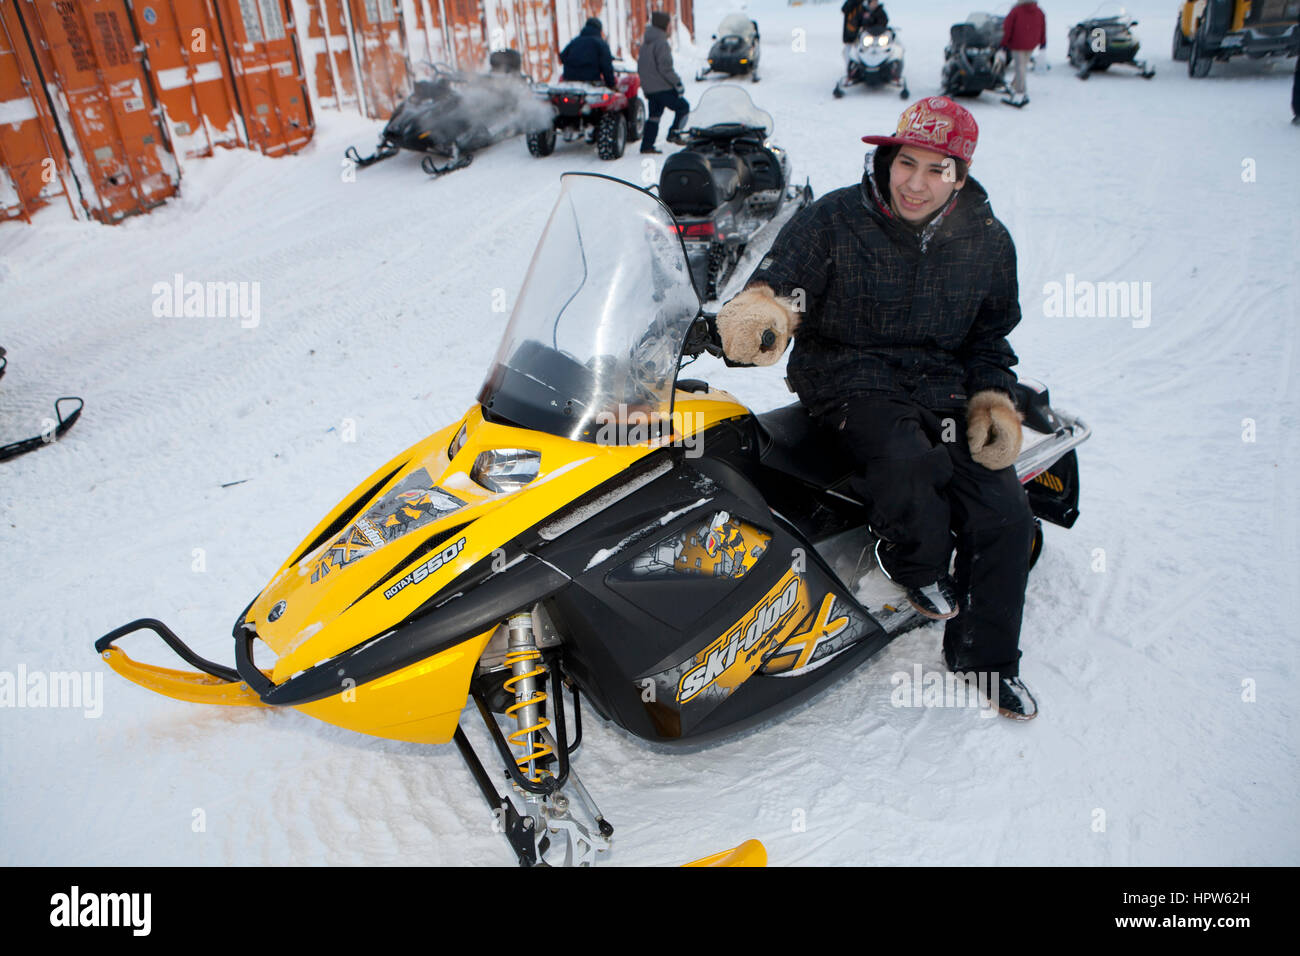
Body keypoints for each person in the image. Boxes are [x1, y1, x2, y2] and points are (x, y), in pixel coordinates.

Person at [713, 98, 1039, 719]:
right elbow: (780, 285)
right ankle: (913, 562)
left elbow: (991, 337)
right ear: (889, 157)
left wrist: (992, 399)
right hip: (847, 375)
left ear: (960, 177)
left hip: (942, 385)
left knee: (1004, 511)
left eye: (935, 170)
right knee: (904, 457)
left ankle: (985, 659)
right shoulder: (837, 217)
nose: (915, 182)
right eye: (906, 162)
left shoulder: (989, 243)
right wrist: (762, 316)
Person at [638, 10, 689, 153]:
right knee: (683, 107)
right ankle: (674, 134)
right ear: (664, 25)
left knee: (654, 116)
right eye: (669, 24)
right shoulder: (661, 43)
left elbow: (642, 67)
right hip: (662, 88)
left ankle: (647, 146)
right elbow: (665, 68)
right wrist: (677, 83)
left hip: (650, 88)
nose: (670, 27)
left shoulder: (646, 42)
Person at [1000, 0, 1046, 107]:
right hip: (1031, 44)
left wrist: (1003, 44)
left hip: (1017, 43)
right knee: (1022, 67)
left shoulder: (1016, 11)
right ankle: (1014, 85)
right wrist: (1043, 43)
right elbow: (1043, 27)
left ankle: (1020, 92)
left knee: (1019, 68)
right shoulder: (1039, 11)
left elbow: (1007, 28)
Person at [560, 17, 616, 89]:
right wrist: (611, 85)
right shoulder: (601, 44)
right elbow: (607, 67)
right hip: (591, 82)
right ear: (599, 29)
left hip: (569, 81)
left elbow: (562, 57)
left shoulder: (575, 41)